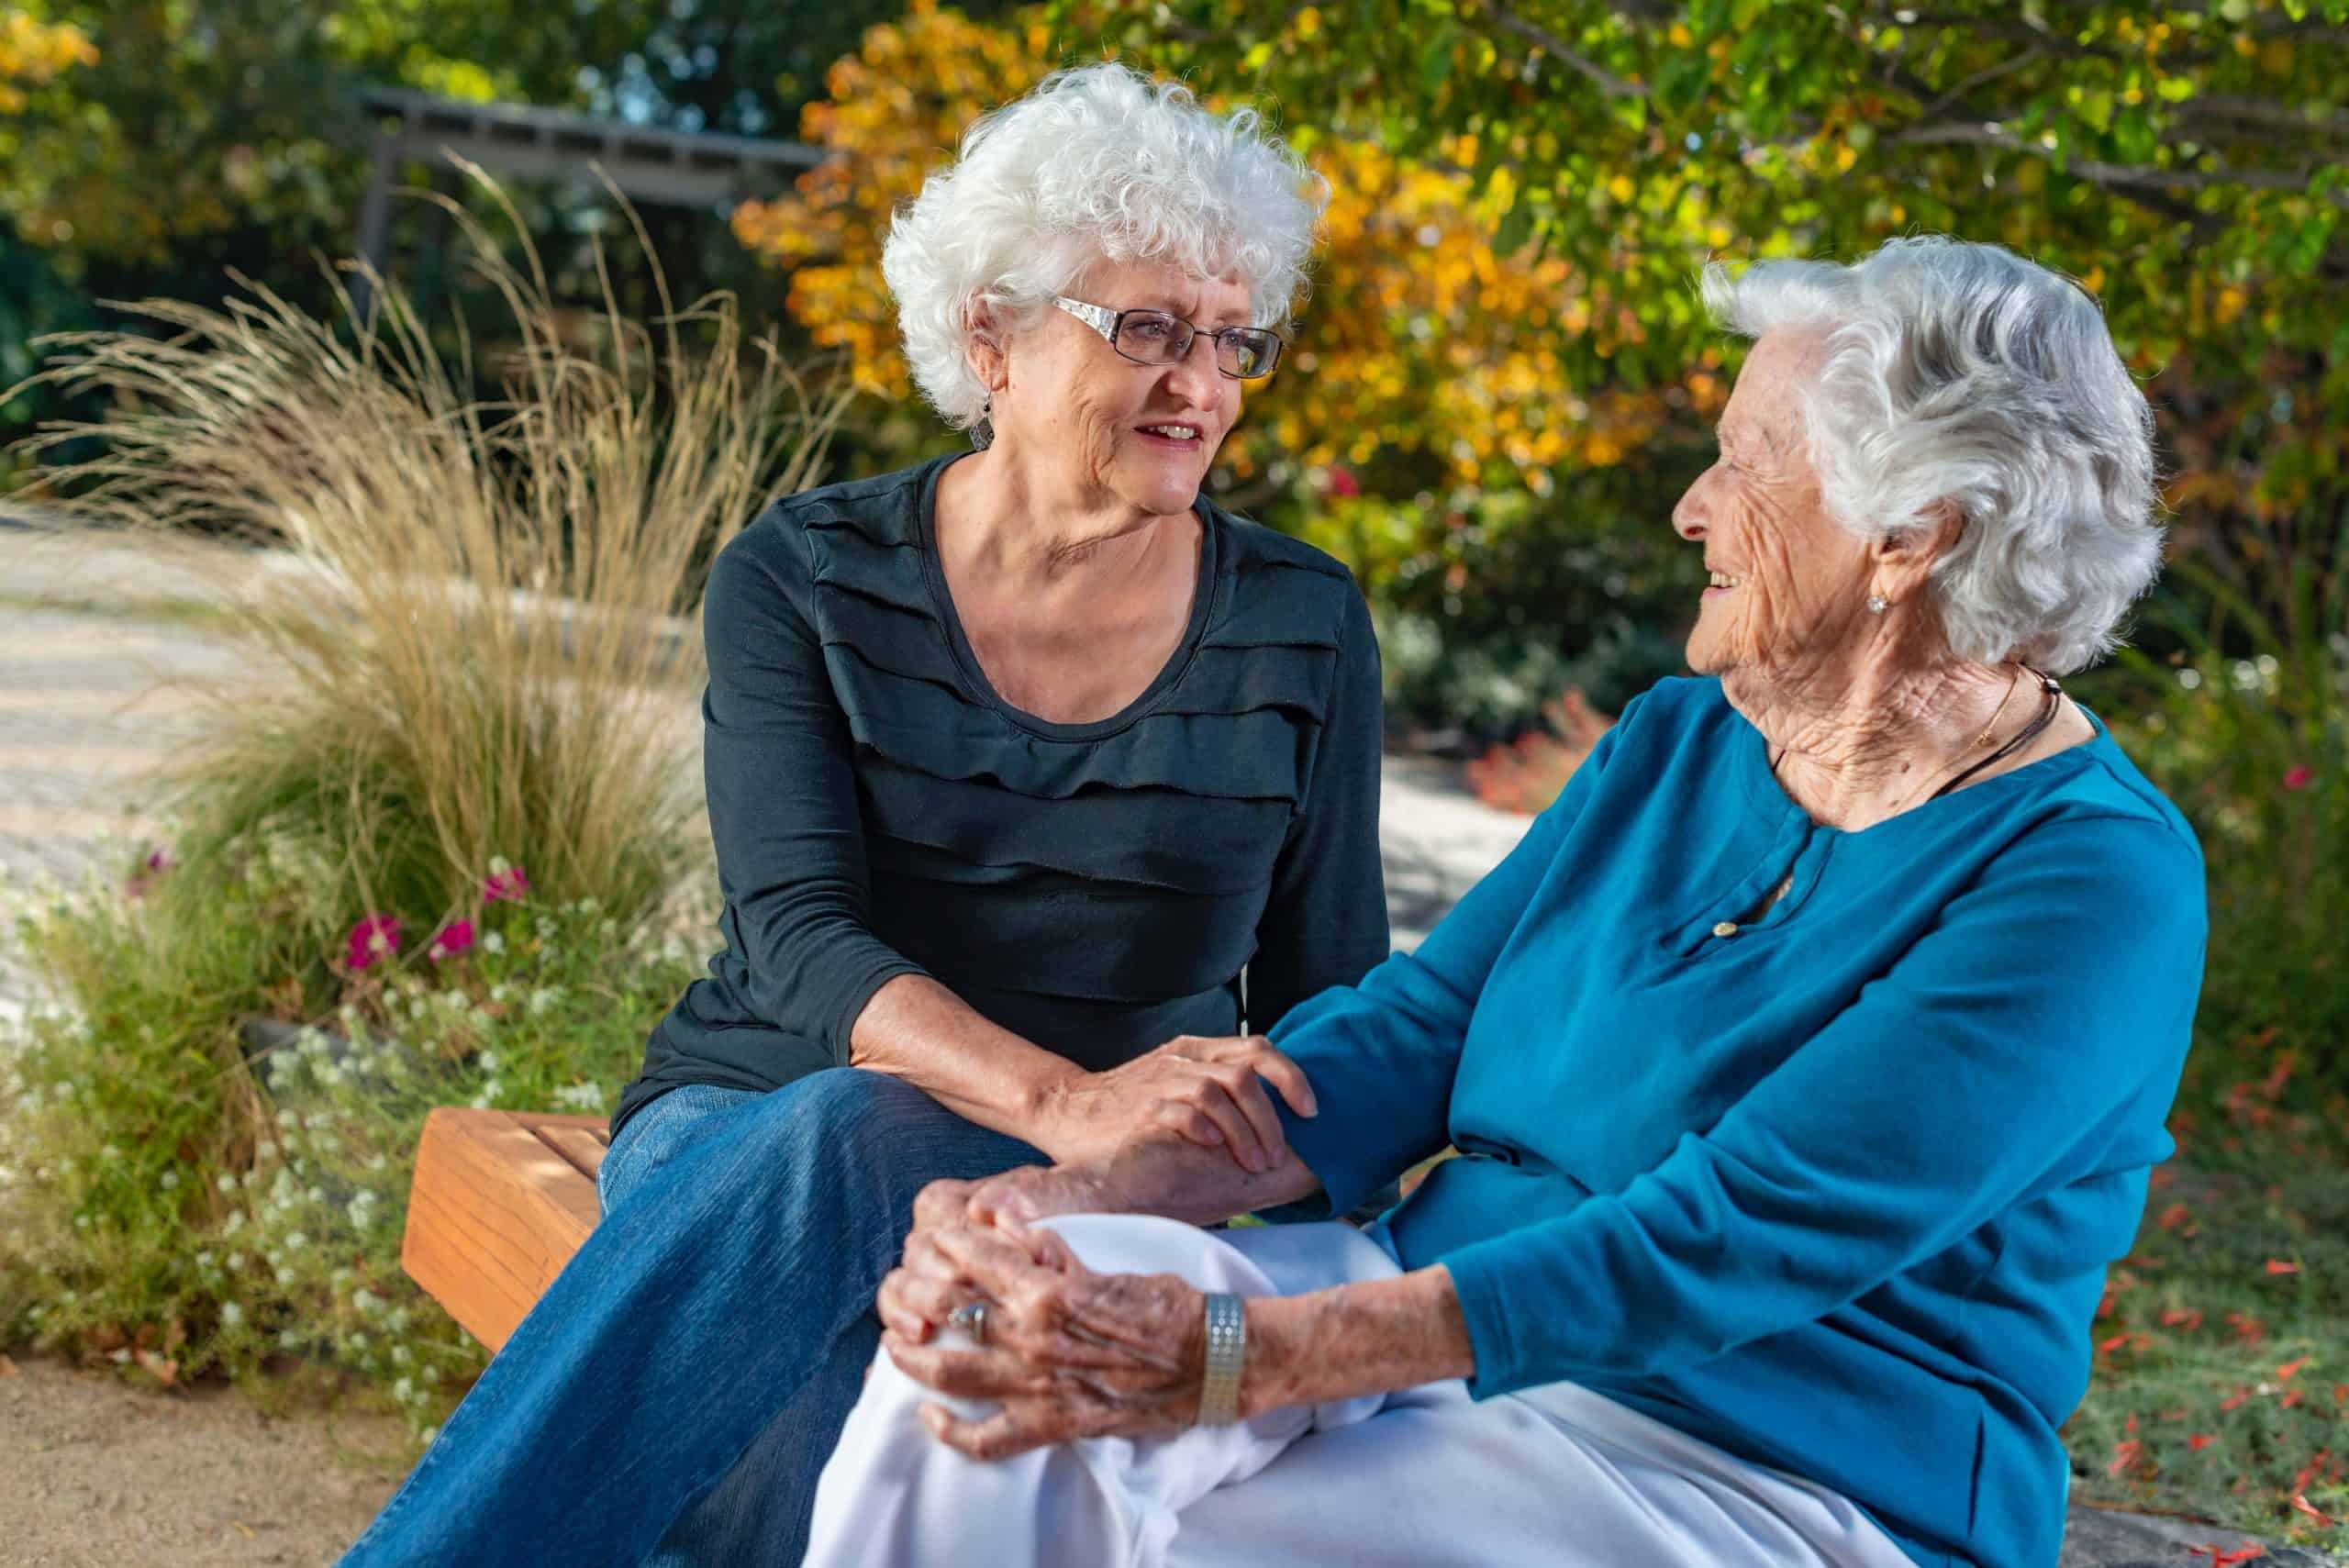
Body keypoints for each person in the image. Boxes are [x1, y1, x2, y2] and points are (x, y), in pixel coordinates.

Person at [805, 237, 2207, 1568]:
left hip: (1744, 1465)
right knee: (1006, 1334)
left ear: (1911, 538)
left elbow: (1723, 1239)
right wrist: (1048, 1196)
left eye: (1743, 465)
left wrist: (1237, 1356)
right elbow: (1417, 1028)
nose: (1691, 507)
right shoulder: (1683, 739)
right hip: (1409, 1337)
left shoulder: (2092, 883)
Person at [339, 63, 1388, 1567]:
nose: (1201, 386)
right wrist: (1058, 1096)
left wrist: (1240, 1223)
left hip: (1093, 1194)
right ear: (990, 339)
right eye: (1145, 329)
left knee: (881, 1363)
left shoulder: (1305, 621)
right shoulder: (806, 578)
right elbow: (797, 937)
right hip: (759, 1126)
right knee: (854, 1166)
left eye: (1229, 339)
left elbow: (1331, 988)